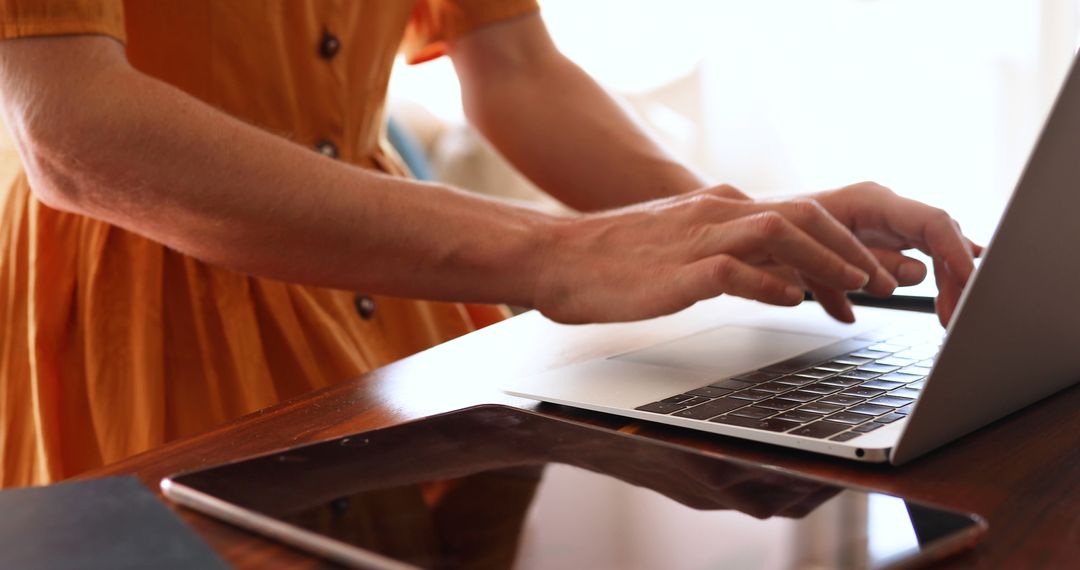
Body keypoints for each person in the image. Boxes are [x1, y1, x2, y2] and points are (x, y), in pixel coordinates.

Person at [0, 1, 977, 488]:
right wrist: (554, 252)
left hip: (393, 291)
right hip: (143, 310)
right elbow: (71, 131)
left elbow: (513, 67)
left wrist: (746, 227)